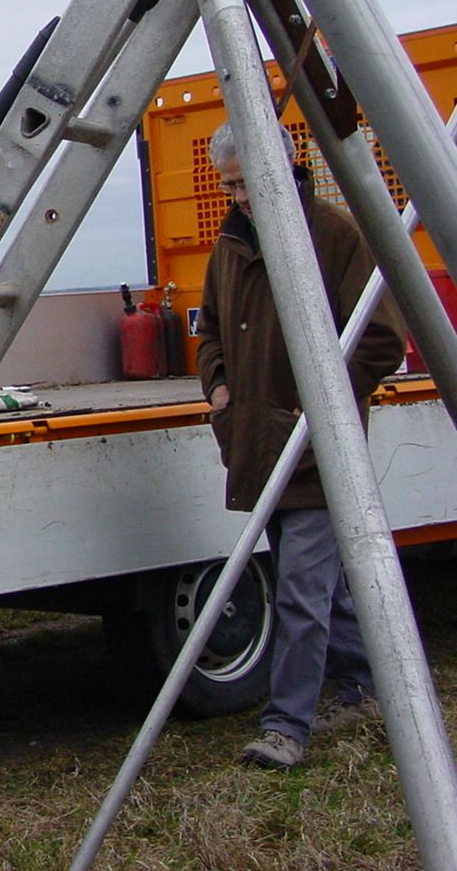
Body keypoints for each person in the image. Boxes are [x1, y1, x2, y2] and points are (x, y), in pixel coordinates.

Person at [196, 121, 405, 770]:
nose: (238, 197)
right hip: (258, 450)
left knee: (300, 591)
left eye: (246, 183)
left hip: (318, 455)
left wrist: (316, 410)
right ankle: (363, 685)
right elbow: (209, 335)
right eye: (228, 186)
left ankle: (288, 725)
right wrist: (220, 390)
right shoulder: (228, 246)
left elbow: (380, 341)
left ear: (282, 168)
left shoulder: (337, 237)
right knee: (321, 587)